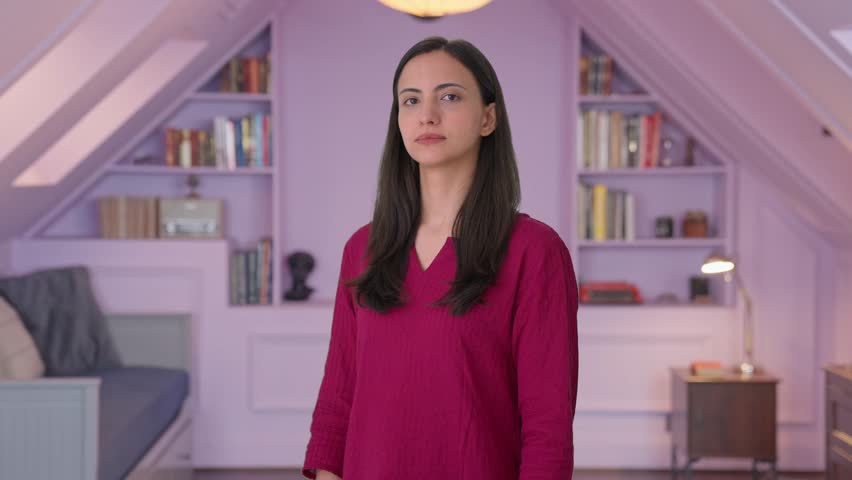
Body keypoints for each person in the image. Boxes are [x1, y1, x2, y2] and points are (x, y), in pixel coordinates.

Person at [302, 35, 578, 480]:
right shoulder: (363, 249)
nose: (427, 114)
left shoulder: (535, 251)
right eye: (410, 101)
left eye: (449, 96)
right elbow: (339, 392)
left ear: (488, 117)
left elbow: (548, 423)